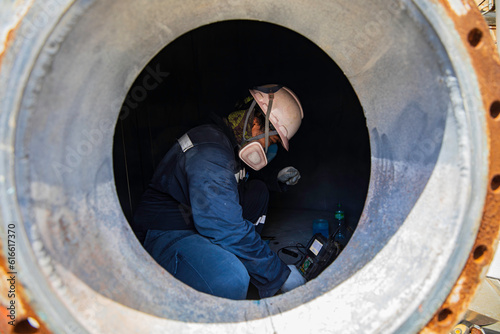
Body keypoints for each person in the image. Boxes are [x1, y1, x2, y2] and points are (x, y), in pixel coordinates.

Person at [132, 84, 305, 300]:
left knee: (257, 192)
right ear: (255, 122)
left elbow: (237, 180)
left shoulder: (229, 143)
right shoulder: (209, 152)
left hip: (196, 221)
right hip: (166, 232)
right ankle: (237, 264)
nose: (270, 148)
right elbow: (224, 225)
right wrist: (279, 275)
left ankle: (243, 257)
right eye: (272, 140)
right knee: (231, 279)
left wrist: (276, 179)